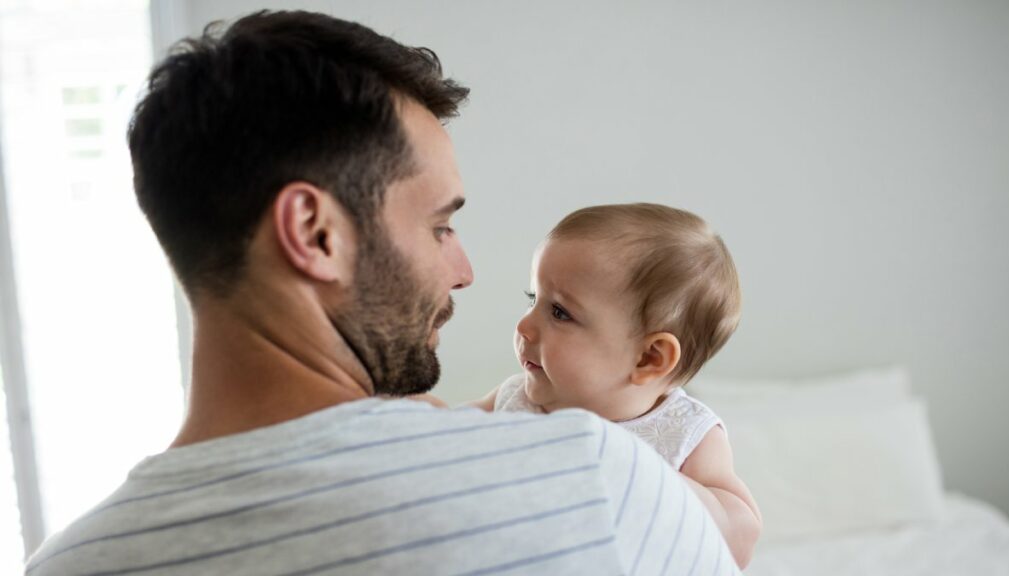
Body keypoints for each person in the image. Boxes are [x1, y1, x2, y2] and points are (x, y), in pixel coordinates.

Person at [25, 11, 738, 576]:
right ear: (315, 233)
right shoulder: (594, 477)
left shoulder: (67, 565)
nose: (463, 270)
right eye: (439, 227)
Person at [471, 204, 762, 567]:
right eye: (533, 300)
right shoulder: (512, 401)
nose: (524, 327)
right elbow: (432, 441)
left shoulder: (684, 433)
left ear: (649, 358)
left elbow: (739, 541)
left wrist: (646, 477)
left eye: (560, 312)